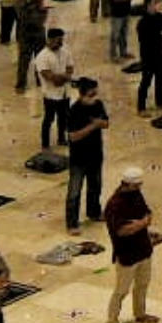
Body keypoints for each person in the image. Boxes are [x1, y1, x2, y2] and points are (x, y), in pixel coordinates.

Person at [102, 166, 159, 323]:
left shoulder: (136, 195)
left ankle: (140, 314)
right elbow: (122, 230)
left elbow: (148, 214)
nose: (139, 188)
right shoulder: (114, 205)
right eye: (137, 185)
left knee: (142, 284)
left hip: (143, 249)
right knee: (121, 291)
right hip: (126, 255)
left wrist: (138, 224)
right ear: (127, 184)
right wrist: (141, 223)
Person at [62, 76, 112, 232]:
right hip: (79, 157)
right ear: (82, 94)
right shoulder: (74, 111)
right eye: (91, 95)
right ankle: (72, 223)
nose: (94, 98)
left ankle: (94, 212)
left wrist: (99, 124)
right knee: (74, 191)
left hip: (96, 153)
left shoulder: (98, 105)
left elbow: (106, 123)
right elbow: (73, 136)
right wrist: (93, 126)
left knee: (95, 186)